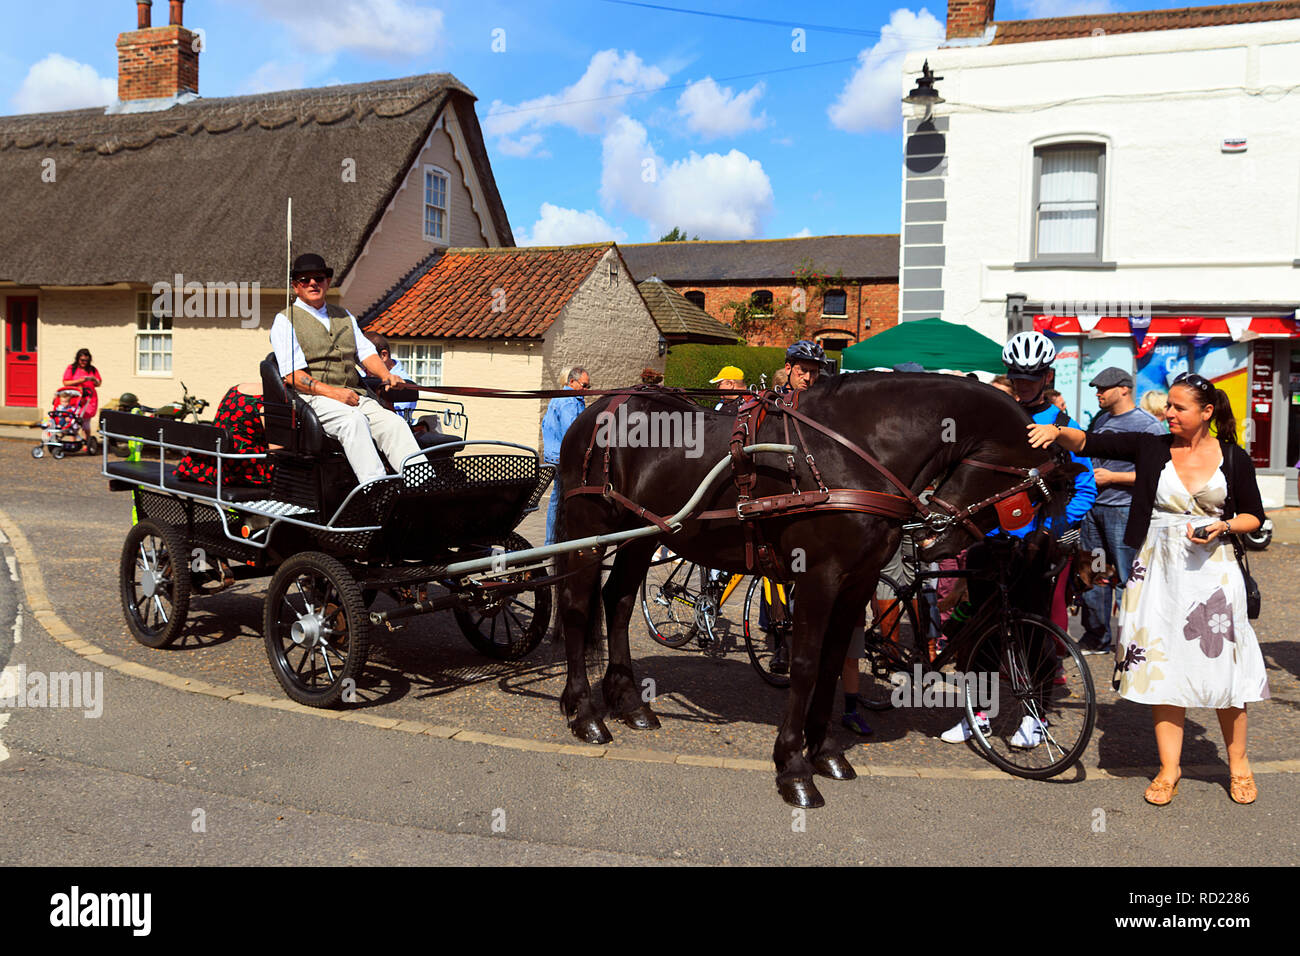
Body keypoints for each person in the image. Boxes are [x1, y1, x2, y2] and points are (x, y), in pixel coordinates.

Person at [1029, 372, 1268, 806]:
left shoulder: (1234, 457)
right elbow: (1091, 444)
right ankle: (1169, 768)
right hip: (1157, 571)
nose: (1168, 413)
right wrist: (1058, 430)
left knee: (1227, 672)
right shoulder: (1152, 446)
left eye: (1179, 407)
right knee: (1164, 666)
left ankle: (1239, 765)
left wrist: (1224, 525)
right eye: (1168, 405)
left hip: (1214, 574)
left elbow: (1255, 516)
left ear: (1207, 412)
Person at [940, 330, 1097, 746]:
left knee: (1032, 633)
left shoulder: (1063, 426)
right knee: (978, 630)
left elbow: (1085, 488)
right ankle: (979, 714)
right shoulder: (992, 419)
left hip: (1036, 545)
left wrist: (1051, 528)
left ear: (1047, 376)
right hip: (987, 541)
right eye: (1016, 376)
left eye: (1031, 377)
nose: (1023, 384)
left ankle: (1034, 716)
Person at [270, 253, 421, 485]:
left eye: (318, 278)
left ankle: (423, 487)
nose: (313, 283)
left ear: (327, 282)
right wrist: (334, 393)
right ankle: (377, 489)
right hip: (313, 398)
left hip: (354, 395)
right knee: (353, 421)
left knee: (394, 423)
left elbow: (366, 352)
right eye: (305, 280)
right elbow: (292, 375)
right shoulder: (285, 321)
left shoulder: (345, 316)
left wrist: (386, 374)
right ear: (295, 286)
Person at [1078, 367, 1167, 656]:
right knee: (1095, 573)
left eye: (1103, 388)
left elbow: (1160, 474)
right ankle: (1096, 637)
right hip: (1094, 509)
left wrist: (1114, 478)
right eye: (1097, 388)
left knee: (1129, 577)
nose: (1098, 393)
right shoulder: (1102, 419)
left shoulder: (1148, 426)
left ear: (1124, 389)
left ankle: (1131, 639)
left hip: (1124, 511)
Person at [543, 366, 590, 544]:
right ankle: (552, 541)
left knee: (558, 497)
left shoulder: (565, 397)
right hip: (561, 457)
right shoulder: (569, 402)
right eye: (584, 385)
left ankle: (553, 540)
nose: (587, 389)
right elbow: (572, 433)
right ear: (572, 382)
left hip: (554, 454)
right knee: (561, 498)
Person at [363, 330, 418, 422]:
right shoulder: (363, 374)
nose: (363, 367)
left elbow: (395, 420)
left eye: (366, 361)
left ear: (383, 355)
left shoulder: (403, 385)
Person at [63, 348, 102, 439]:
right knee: (74, 421)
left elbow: (98, 383)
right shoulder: (71, 368)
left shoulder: (92, 369)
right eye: (82, 360)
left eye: (86, 360)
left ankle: (87, 442)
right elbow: (65, 382)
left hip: (89, 399)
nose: (84, 362)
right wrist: (79, 381)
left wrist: (93, 379)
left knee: (86, 422)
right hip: (75, 398)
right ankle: (73, 441)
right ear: (78, 359)